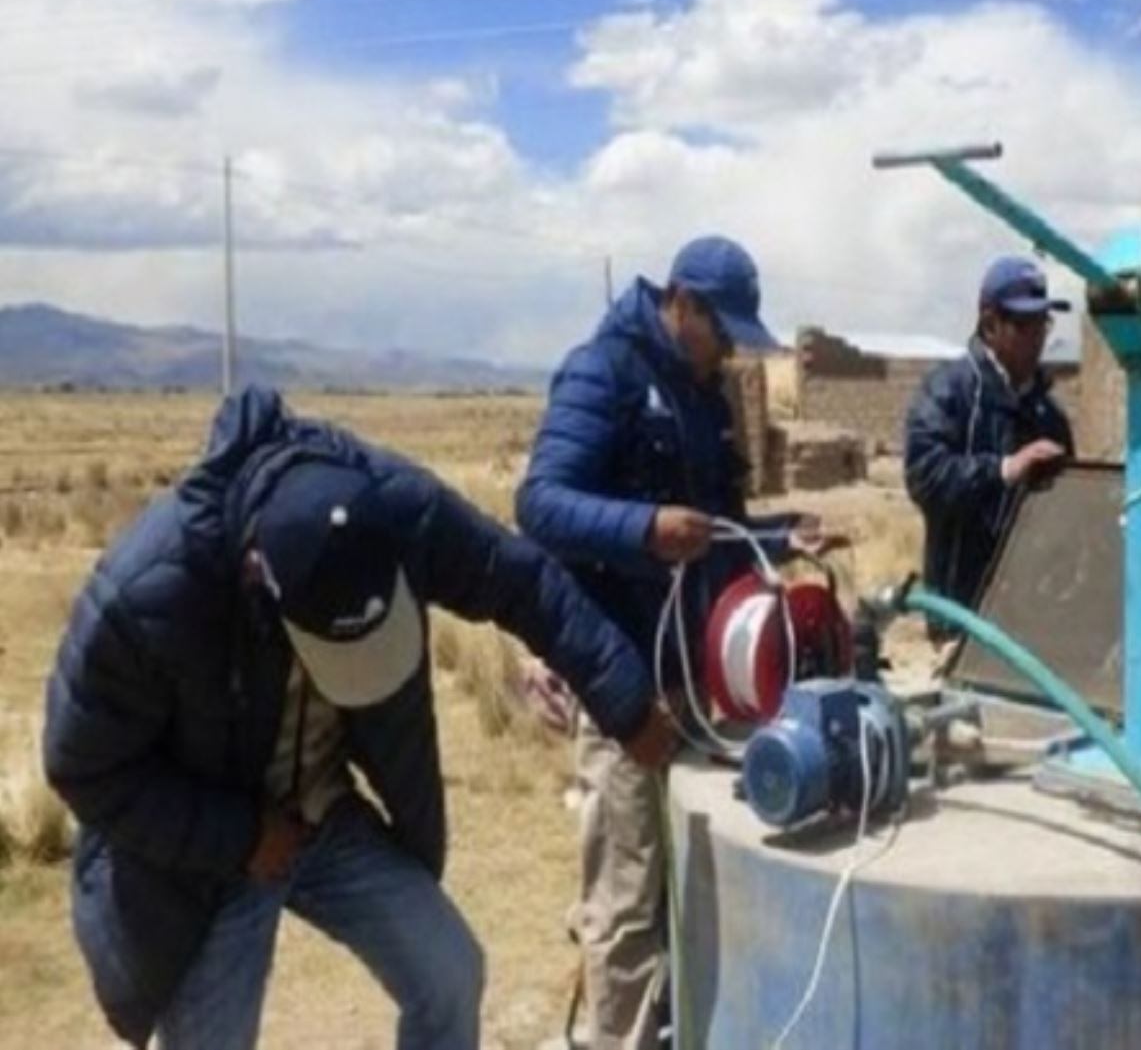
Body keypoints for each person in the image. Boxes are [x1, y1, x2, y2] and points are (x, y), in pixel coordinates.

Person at [41, 385, 675, 1050]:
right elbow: (81, 765)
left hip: (322, 813)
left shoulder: (392, 511)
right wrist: (241, 836)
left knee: (449, 973)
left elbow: (519, 579)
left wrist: (625, 702)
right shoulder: (152, 587)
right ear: (259, 575)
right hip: (206, 855)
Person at [516, 235, 827, 1050]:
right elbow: (540, 505)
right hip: (623, 675)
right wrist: (643, 529)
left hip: (693, 677)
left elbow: (714, 534)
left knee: (680, 883)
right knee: (626, 893)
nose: (727, 349)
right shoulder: (605, 372)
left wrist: (782, 536)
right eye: (718, 329)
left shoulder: (699, 394)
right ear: (680, 301)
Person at [903, 256, 1075, 631]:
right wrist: (1004, 470)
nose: (1037, 338)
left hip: (1031, 622)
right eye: (1023, 325)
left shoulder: (1049, 415)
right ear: (989, 324)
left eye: (1041, 324)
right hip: (962, 618)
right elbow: (926, 478)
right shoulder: (948, 393)